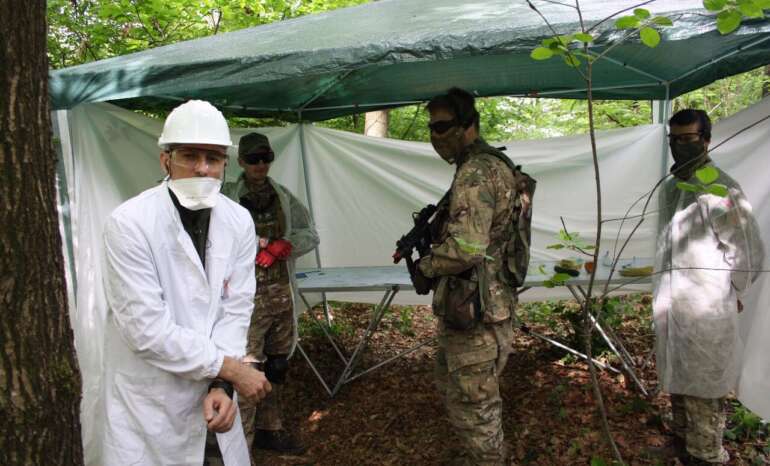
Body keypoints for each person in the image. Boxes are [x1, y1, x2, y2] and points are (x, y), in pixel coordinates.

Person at [100, 100, 271, 466]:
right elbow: (145, 330)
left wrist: (222, 385)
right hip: (151, 404)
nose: (202, 168)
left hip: (214, 395)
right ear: (166, 160)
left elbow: (236, 307)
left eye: (212, 158)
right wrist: (231, 370)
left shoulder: (238, 220)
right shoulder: (129, 223)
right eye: (189, 156)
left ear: (225, 163)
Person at [413, 88, 532, 465]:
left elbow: (467, 248)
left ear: (468, 126)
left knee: (474, 406)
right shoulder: (494, 165)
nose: (436, 136)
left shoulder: (476, 172)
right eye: (431, 128)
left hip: (475, 309)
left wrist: (426, 266)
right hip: (486, 304)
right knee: (468, 396)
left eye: (443, 126)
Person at [652, 109, 764, 465]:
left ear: (706, 140)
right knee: (679, 386)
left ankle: (706, 457)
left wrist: (731, 292)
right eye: (674, 140)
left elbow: (747, 251)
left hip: (706, 314)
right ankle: (682, 448)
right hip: (674, 308)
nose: (680, 146)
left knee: (703, 392)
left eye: (688, 139)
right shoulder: (671, 188)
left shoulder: (720, 187)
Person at [223, 132, 319, 456]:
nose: (260, 165)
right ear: (241, 161)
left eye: (266, 158)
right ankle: (243, 448)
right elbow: (212, 243)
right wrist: (254, 248)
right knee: (248, 370)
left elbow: (310, 234)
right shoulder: (226, 198)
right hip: (244, 302)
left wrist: (285, 246)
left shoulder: (283, 197)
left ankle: (270, 430)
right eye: (253, 159)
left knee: (277, 367)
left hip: (279, 295)